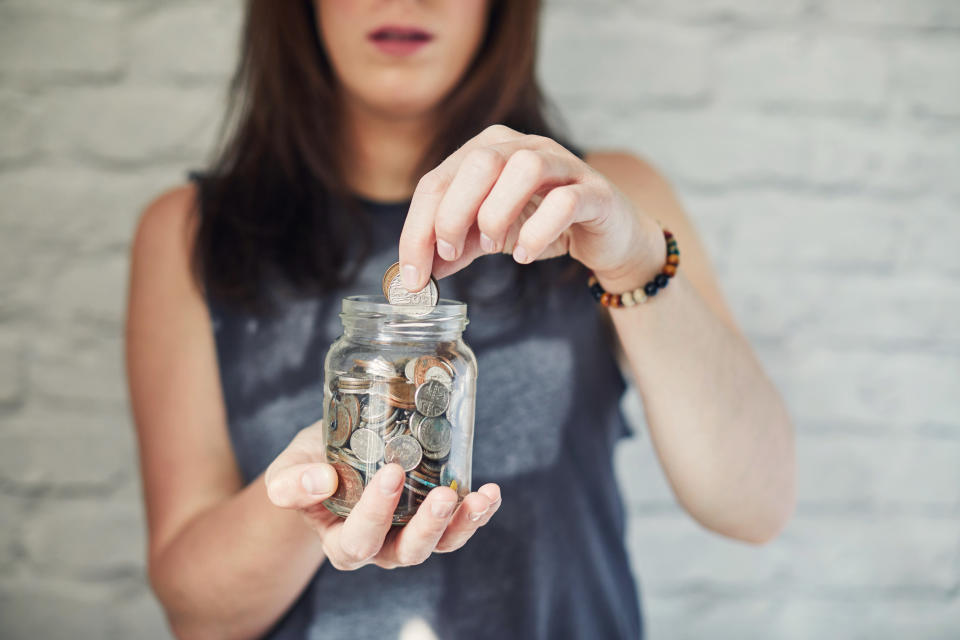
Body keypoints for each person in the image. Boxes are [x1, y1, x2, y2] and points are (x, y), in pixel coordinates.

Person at [125, 1, 796, 638]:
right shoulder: (188, 234)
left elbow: (755, 505)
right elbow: (195, 615)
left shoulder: (608, 200)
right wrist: (320, 489)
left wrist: (635, 262)